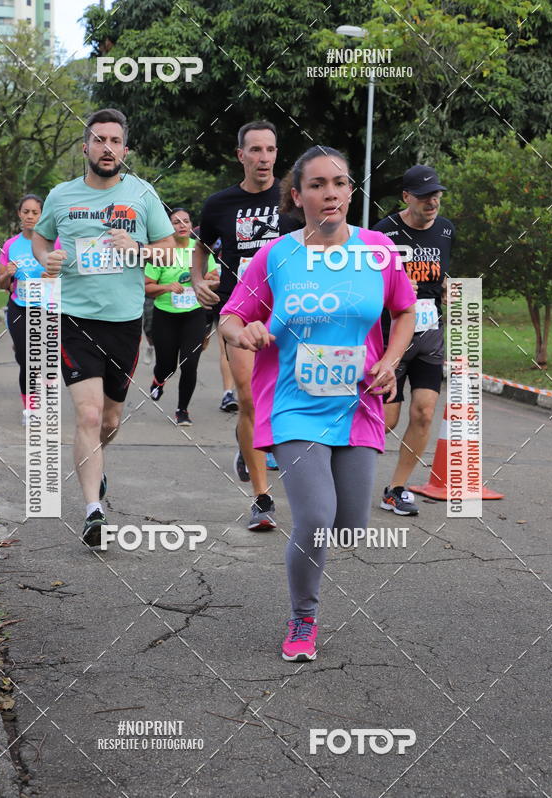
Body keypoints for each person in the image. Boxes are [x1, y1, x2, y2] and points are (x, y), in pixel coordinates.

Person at [220, 146, 416, 661]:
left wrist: (391, 361)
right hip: (294, 405)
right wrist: (246, 332)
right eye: (317, 185)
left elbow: (404, 312)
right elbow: (230, 317)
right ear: (298, 195)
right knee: (315, 517)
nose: (330, 193)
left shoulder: (378, 251)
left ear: (351, 191)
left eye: (340, 183)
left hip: (358, 404)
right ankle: (303, 619)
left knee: (350, 524)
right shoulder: (277, 256)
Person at [32, 108, 175, 548]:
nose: (107, 148)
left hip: (125, 323)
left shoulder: (142, 194)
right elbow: (41, 238)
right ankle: (93, 509)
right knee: (88, 415)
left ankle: (96, 464)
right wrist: (46, 259)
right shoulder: (61, 196)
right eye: (99, 140)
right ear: (86, 147)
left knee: (110, 420)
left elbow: (170, 252)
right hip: (74, 320)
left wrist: (140, 248)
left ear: (125, 150)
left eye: (115, 141)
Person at [191, 120, 301, 531]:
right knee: (249, 400)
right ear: (241, 155)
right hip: (239, 312)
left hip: (292, 312)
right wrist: (198, 280)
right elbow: (200, 249)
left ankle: (249, 445)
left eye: (270, 150)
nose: (263, 158)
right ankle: (262, 498)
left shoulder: (293, 198)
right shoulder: (220, 204)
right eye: (255, 150)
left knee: (291, 401)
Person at [373, 165, 455, 516]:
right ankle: (329, 463)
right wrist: (398, 292)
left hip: (430, 337)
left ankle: (396, 489)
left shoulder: (447, 230)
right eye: (424, 196)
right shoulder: (383, 233)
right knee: (386, 420)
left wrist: (447, 288)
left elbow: (442, 275)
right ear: (405, 197)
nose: (432, 201)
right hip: (392, 338)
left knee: (423, 413)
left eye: (435, 195)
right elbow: (367, 286)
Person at [145, 207, 218, 425]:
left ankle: (182, 410)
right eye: (176, 222)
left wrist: (204, 282)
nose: (182, 225)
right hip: (165, 315)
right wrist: (167, 287)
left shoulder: (200, 249)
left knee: (189, 363)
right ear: (169, 227)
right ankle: (158, 381)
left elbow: (215, 276)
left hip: (193, 314)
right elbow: (147, 287)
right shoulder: (162, 252)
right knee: (166, 365)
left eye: (186, 221)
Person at [0, 194, 50, 424]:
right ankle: (30, 407)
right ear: (20, 214)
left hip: (47, 307)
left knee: (37, 359)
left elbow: (65, 276)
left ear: (41, 215)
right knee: (26, 358)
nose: (30, 216)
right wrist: (7, 274)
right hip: (19, 306)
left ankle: (33, 403)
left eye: (35, 212)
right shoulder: (10, 245)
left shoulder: (52, 243)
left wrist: (53, 276)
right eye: (26, 212)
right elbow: (0, 283)